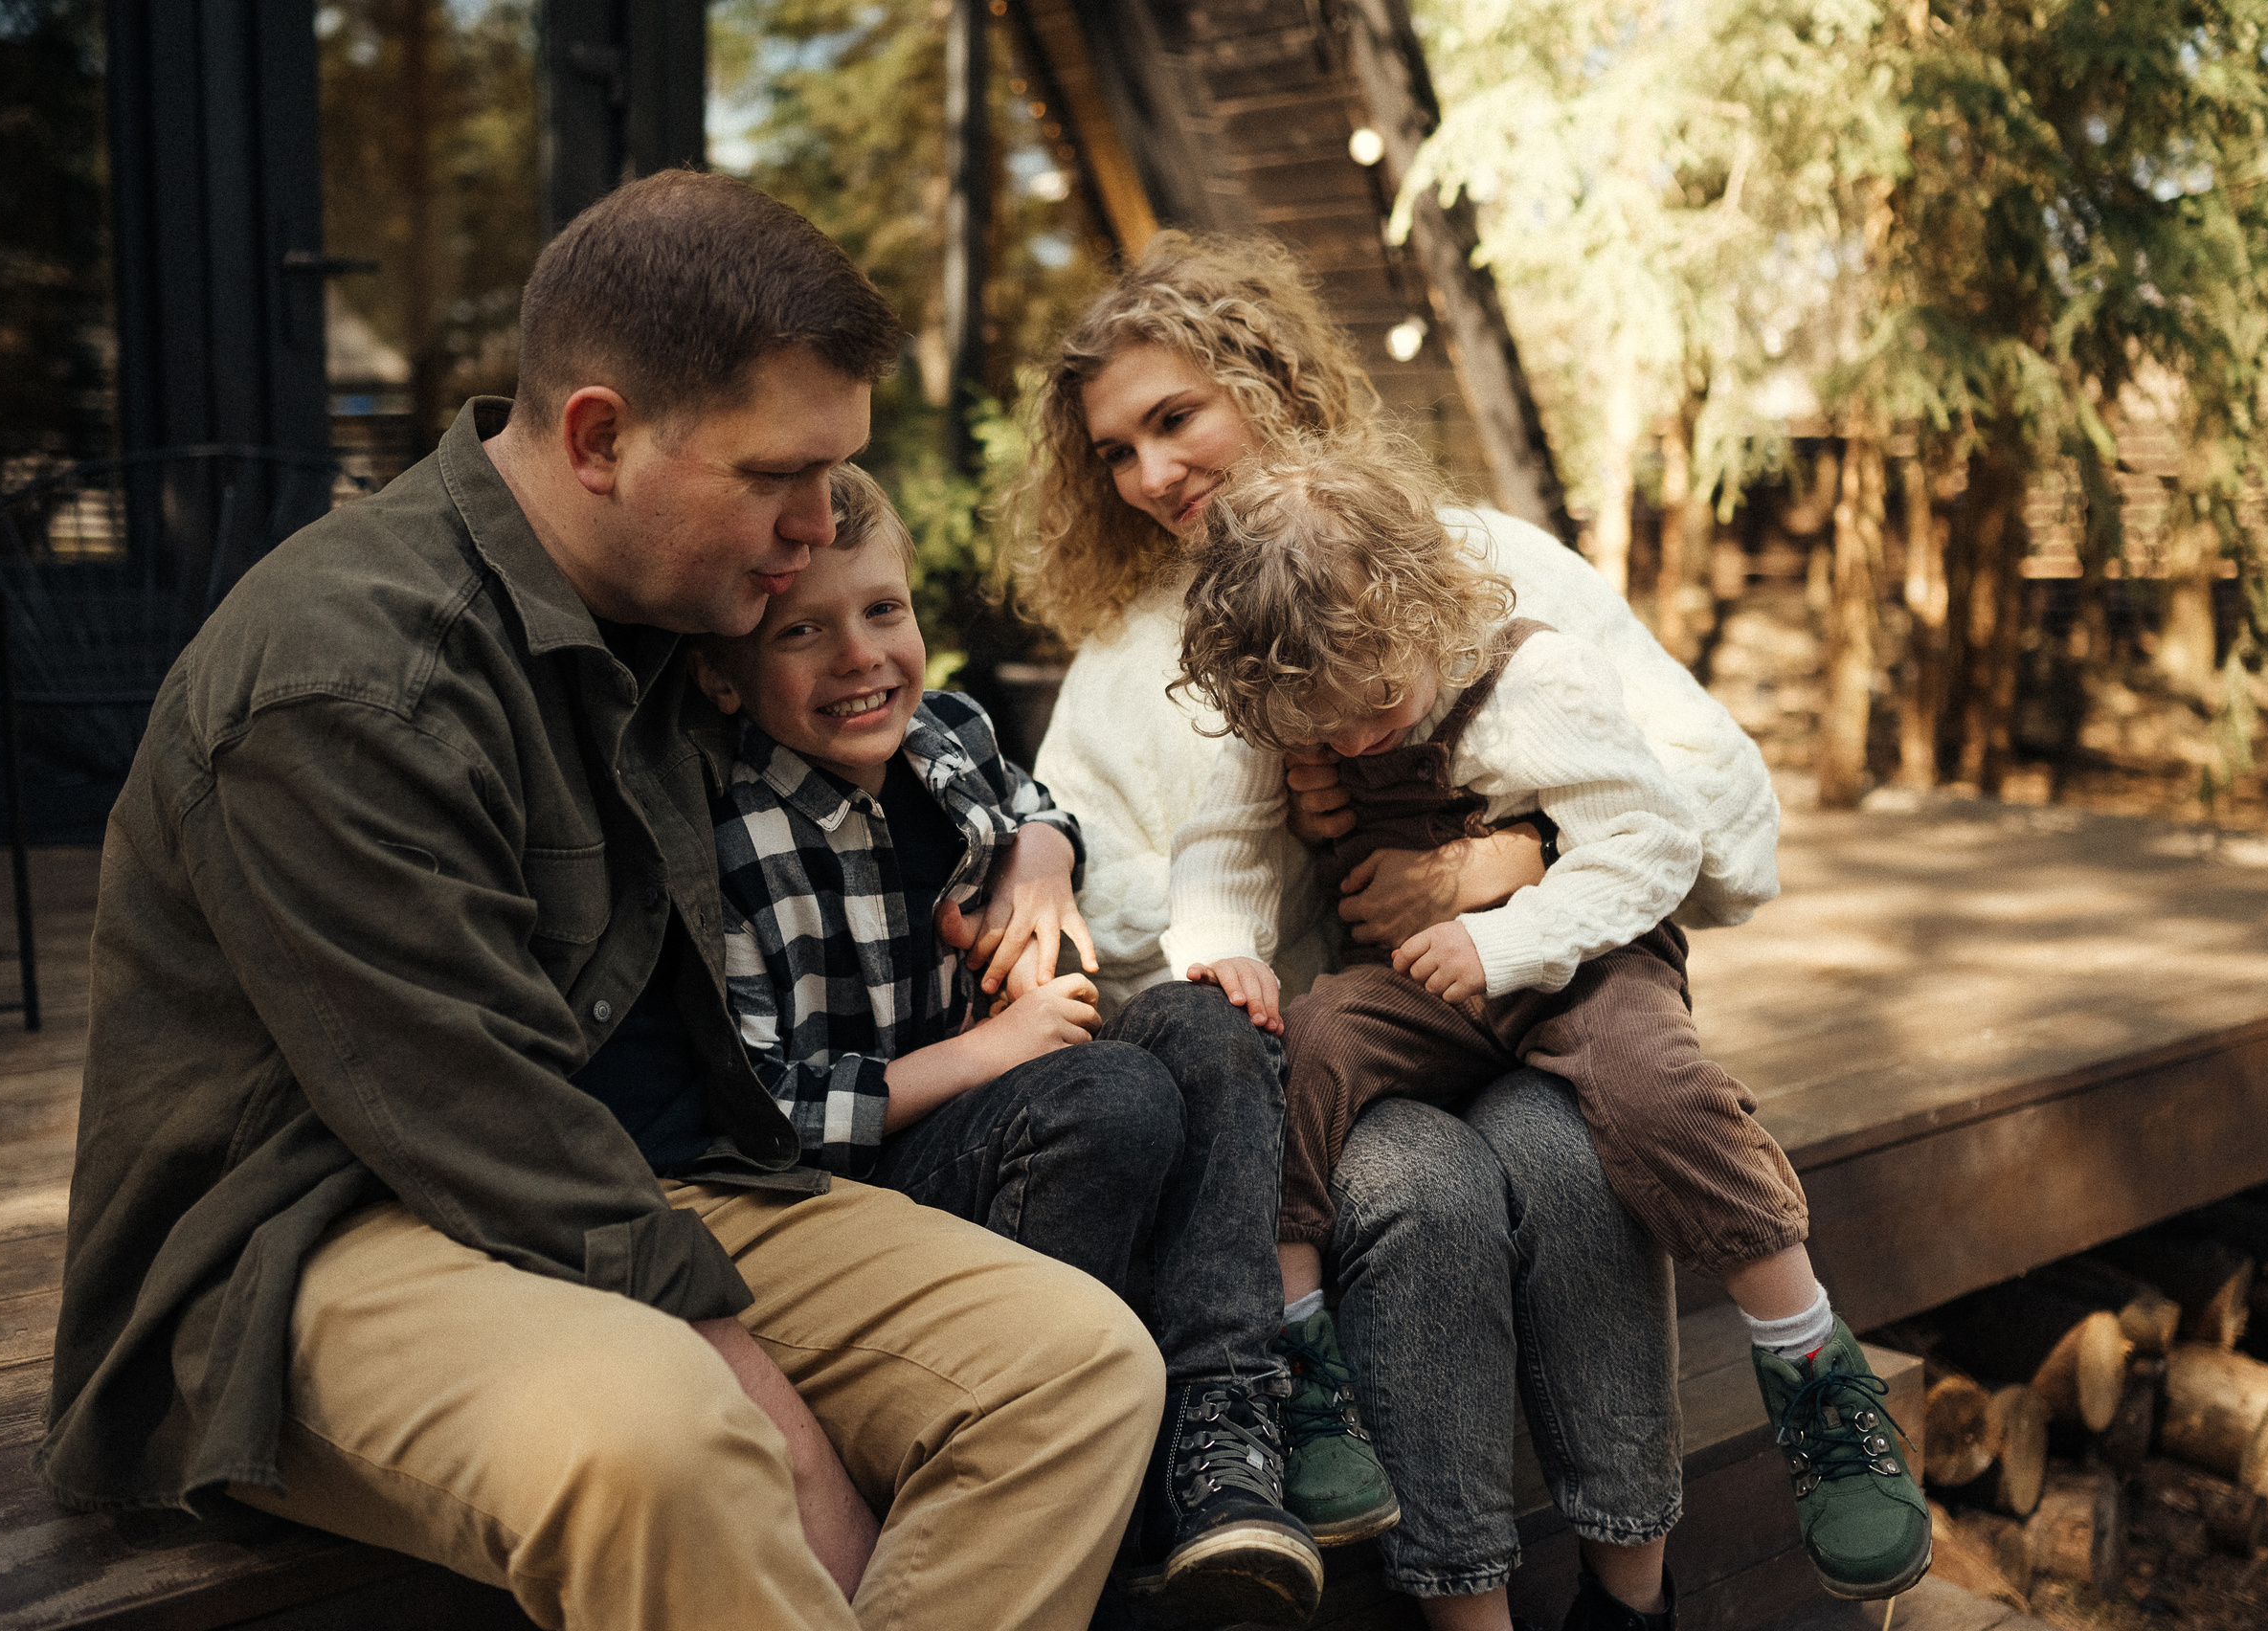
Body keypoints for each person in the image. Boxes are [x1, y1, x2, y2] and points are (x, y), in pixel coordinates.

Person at [35, 171, 1167, 1631]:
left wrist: (1034, 843)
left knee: (1074, 1367)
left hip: (646, 1166)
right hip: (324, 1230)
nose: (818, 529)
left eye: (834, 478)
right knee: (666, 1435)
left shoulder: (673, 607)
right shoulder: (345, 679)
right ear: (598, 436)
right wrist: (755, 1383)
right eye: (778, 478)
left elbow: (920, 741)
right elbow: (470, 1109)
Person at [1005, 231, 1846, 1630]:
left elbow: (1713, 812)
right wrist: (1085, 847)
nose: (1151, 476)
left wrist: (1493, 861)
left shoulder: (1460, 560)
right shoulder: (1122, 666)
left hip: (1531, 998)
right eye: (1114, 450)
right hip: (1327, 1059)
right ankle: (1464, 1600)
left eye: (1175, 417)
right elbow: (1136, 919)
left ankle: (1634, 1593)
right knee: (1417, 1194)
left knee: (1566, 1163)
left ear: (1266, 381)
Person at [1163, 434, 1931, 1604]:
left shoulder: (1534, 679)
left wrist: (1506, 934)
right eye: (1323, 729)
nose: (1359, 740)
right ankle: (1301, 1360)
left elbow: (1653, 842)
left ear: (1417, 602)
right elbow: (1220, 845)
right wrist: (1220, 949)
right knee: (1303, 1046)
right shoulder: (1303, 690)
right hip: (1433, 988)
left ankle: (1813, 1368)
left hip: (1586, 959)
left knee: (1652, 1085)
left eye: (1376, 703)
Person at [688, 461, 1329, 1625]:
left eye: (884, 611)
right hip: (874, 1208)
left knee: (1205, 1019)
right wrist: (995, 1053)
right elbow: (764, 1109)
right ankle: (1107, 1495)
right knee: (1110, 1096)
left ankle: (1225, 1439)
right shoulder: (734, 835)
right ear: (723, 677)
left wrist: (1043, 854)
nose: (860, 657)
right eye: (802, 632)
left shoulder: (946, 732)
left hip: (1006, 1131)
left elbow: (1033, 803)